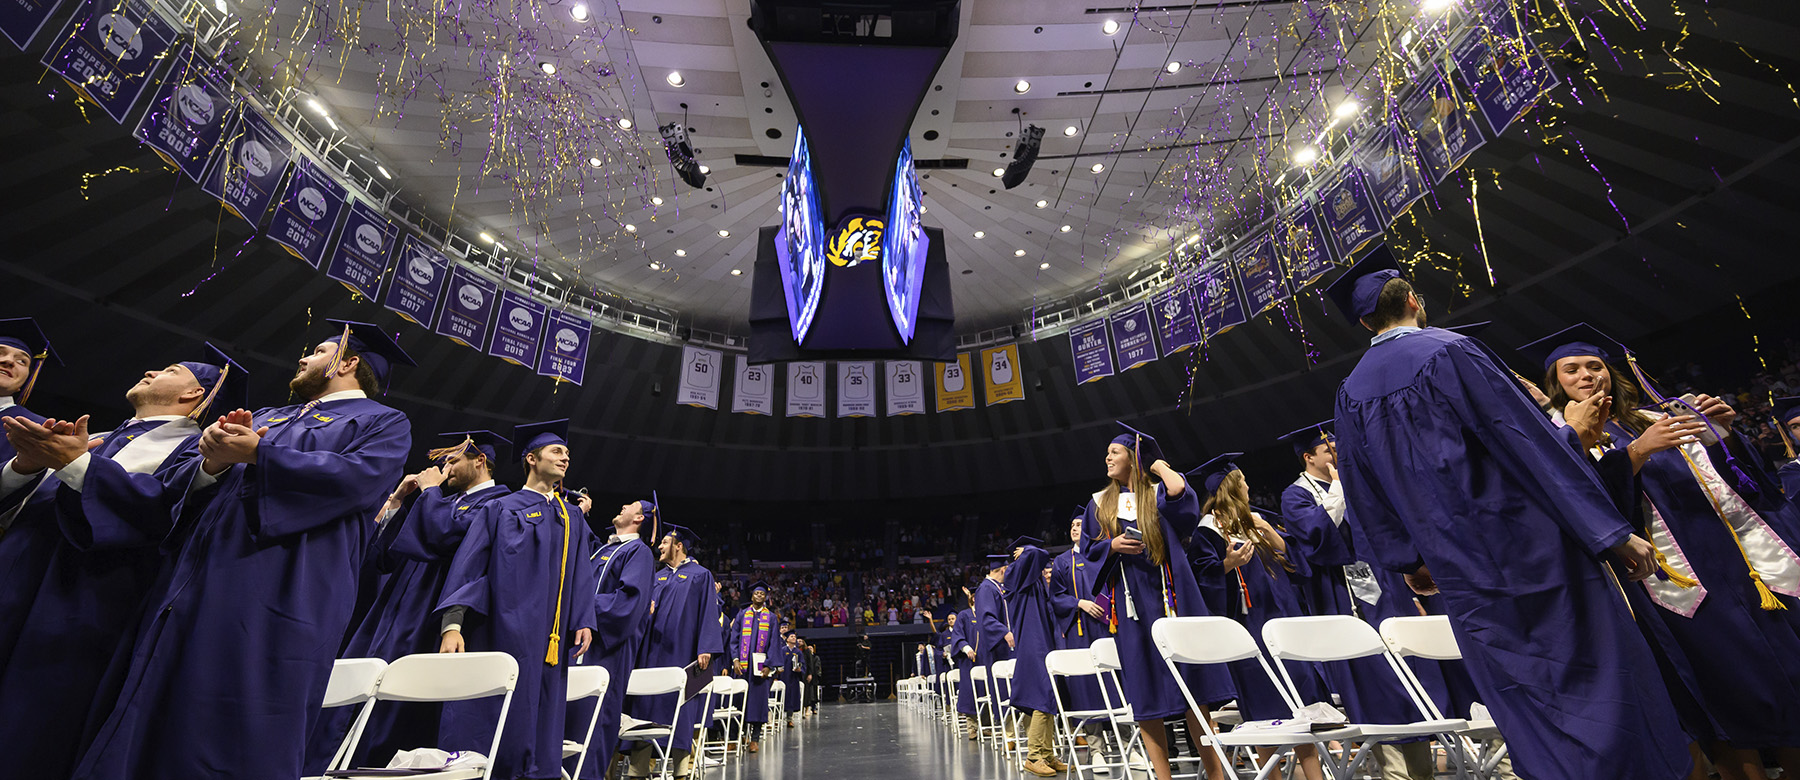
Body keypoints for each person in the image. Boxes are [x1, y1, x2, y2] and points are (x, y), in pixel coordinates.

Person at [1322, 250, 1691, 780]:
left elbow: (1362, 488)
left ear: (1363, 323)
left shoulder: (1350, 392)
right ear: (1412, 301)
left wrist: (1409, 561)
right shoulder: (1451, 351)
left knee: (1520, 695)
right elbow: (1528, 446)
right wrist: (1610, 532)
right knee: (1597, 679)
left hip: (1461, 573)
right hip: (1534, 552)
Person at [71, 319, 414, 780]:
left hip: (287, 580)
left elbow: (359, 480)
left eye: (316, 350)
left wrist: (261, 455)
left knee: (241, 711)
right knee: (158, 693)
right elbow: (185, 478)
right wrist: (212, 461)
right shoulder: (269, 415)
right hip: (199, 570)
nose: (303, 357)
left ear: (347, 362)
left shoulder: (381, 421)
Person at [1521, 323, 1800, 779]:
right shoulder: (1562, 438)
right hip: (1672, 581)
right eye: (1572, 370)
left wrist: (1724, 436)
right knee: (1725, 685)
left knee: (1784, 672)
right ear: (1557, 383)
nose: (1588, 375)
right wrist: (1633, 455)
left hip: (1734, 562)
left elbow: (1746, 489)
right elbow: (1580, 507)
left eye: (1595, 365)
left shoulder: (1653, 418)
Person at [0, 345, 242, 779]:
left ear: (194, 395)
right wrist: (25, 465)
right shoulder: (99, 437)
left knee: (26, 731)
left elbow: (160, 515)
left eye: (170, 369)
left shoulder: (192, 452)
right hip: (15, 581)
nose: (150, 369)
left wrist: (76, 465)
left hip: (80, 605)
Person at [304, 430, 514, 771]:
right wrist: (398, 504)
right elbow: (385, 558)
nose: (446, 467)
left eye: (453, 459)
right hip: (392, 613)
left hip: (428, 616)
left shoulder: (498, 505)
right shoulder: (442, 503)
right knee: (356, 694)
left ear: (480, 461)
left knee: (399, 710)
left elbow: (443, 537)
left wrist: (430, 492)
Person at [434, 419, 596, 780]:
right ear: (531, 458)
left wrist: (584, 619)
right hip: (501, 629)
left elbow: (582, 574)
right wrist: (453, 623)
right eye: (557, 451)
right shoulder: (501, 508)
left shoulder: (570, 517)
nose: (565, 458)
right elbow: (469, 567)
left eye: (568, 454)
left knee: (543, 719)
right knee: (495, 716)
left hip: (549, 641)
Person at [1080, 422, 1232, 780]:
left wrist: (1158, 464)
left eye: (1114, 452)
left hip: (1172, 598)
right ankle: (1161, 776)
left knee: (1195, 690)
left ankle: (1216, 774)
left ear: (1132, 458)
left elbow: (1184, 502)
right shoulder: (1100, 503)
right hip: (1132, 606)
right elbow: (1089, 551)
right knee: (1146, 692)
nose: (1107, 458)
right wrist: (1112, 546)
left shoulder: (1158, 492)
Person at [1191, 455, 1330, 780]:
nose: (1249, 486)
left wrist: (1267, 529)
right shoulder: (1208, 532)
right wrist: (1229, 564)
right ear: (1232, 487)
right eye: (1243, 481)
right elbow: (1202, 581)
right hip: (1250, 632)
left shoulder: (1258, 519)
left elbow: (1297, 566)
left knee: (1302, 708)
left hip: (1286, 625)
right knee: (1265, 714)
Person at [567, 497, 657, 780]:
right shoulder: (606, 550)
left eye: (629, 506)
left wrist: (579, 606)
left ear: (640, 518)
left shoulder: (638, 552)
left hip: (606, 647)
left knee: (595, 717)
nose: (622, 506)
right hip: (581, 641)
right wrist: (578, 514)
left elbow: (627, 603)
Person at [623, 522, 721, 780]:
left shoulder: (700, 575)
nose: (660, 547)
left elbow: (708, 613)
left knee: (681, 711)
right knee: (645, 708)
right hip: (651, 655)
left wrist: (706, 647)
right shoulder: (657, 577)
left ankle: (681, 770)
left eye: (665, 543)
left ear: (679, 545)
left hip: (683, 653)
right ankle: (638, 769)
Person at [1048, 510, 1111, 762]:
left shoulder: (1104, 553)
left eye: (1079, 524)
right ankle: (1097, 750)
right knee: (1086, 686)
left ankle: (1130, 742)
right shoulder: (1063, 561)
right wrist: (1080, 603)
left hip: (1108, 627)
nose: (1075, 528)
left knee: (1115, 680)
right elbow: (1056, 597)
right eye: (1072, 524)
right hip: (1080, 629)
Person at [1004, 536, 1065, 776]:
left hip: (1042, 642)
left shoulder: (1035, 582)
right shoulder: (1016, 576)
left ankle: (1047, 754)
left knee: (1048, 696)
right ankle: (1034, 756)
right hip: (1032, 644)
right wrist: (1028, 550)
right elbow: (1039, 555)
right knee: (1042, 695)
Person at [728, 581, 783, 753]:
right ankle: (739, 736)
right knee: (740, 702)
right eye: (756, 593)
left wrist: (769, 665)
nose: (759, 596)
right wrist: (735, 659)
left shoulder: (771, 618)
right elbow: (734, 639)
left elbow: (774, 643)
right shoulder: (742, 615)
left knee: (758, 702)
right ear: (752, 596)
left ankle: (755, 738)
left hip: (760, 670)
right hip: (742, 667)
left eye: (762, 594)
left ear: (765, 597)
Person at [0, 317, 56, 465]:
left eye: (22, 361)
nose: (9, 361)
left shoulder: (39, 429)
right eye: (0, 352)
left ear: (23, 383)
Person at [950, 593, 980, 739]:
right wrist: (966, 648)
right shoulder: (964, 615)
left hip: (986, 660)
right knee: (970, 693)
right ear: (974, 598)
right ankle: (972, 727)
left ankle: (987, 724)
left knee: (986, 691)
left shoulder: (988, 614)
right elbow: (957, 636)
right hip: (969, 661)